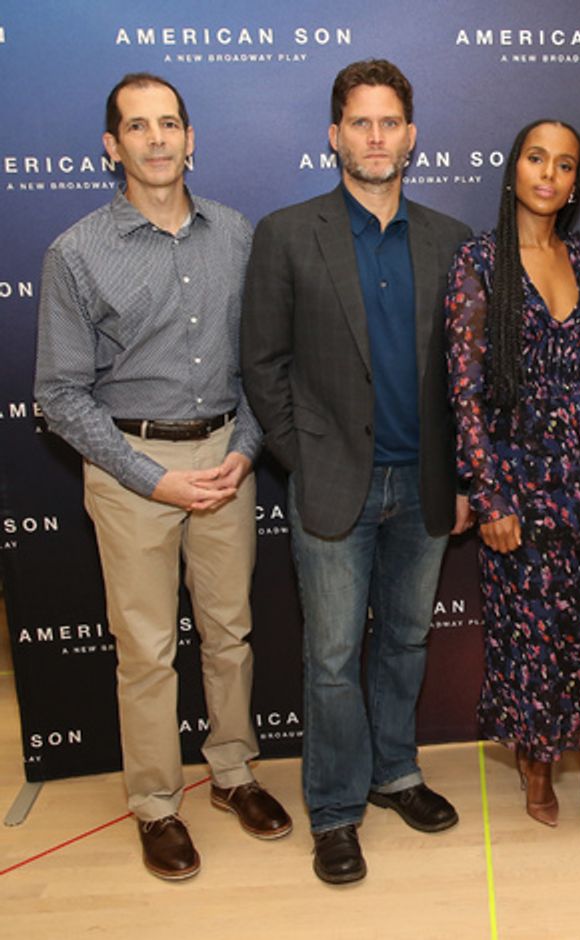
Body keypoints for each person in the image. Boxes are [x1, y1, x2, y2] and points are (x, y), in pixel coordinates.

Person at [34, 73, 291, 881]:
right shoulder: (77, 252)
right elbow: (58, 395)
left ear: (190, 139)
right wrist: (151, 479)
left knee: (229, 631)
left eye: (169, 124)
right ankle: (154, 805)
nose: (156, 140)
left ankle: (234, 773)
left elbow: (263, 362)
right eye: (138, 127)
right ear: (112, 146)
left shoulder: (237, 235)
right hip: (130, 468)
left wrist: (246, 449)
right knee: (146, 650)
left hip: (226, 459)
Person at [240, 59, 472, 885]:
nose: (376, 137)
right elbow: (263, 366)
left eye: (390, 123)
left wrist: (468, 477)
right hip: (334, 483)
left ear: (412, 136)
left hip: (426, 484)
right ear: (334, 135)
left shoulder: (451, 239)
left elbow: (470, 377)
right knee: (334, 655)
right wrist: (307, 459)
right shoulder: (286, 234)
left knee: (405, 639)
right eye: (360, 123)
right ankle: (335, 810)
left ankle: (394, 772)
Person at [446, 120, 580, 853]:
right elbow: (465, 392)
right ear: (514, 170)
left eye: (565, 165)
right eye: (537, 158)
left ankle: (539, 765)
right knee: (534, 632)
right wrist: (489, 495)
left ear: (574, 184)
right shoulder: (479, 260)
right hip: (517, 477)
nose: (549, 174)